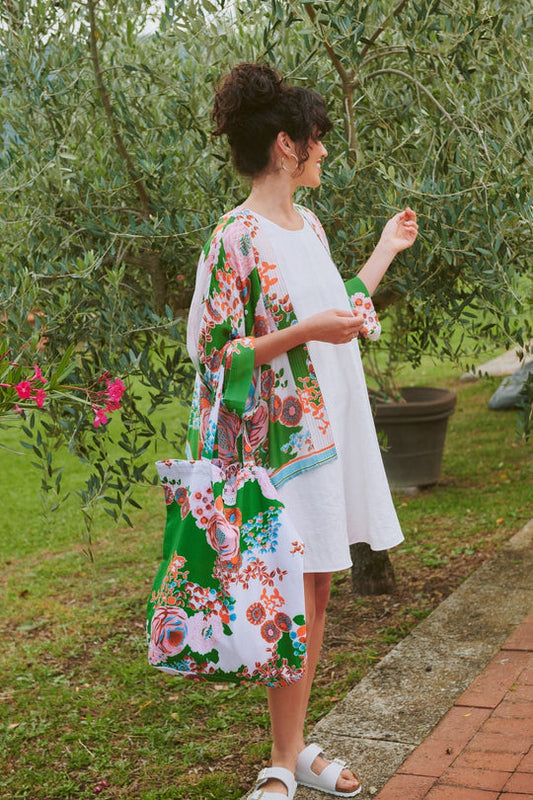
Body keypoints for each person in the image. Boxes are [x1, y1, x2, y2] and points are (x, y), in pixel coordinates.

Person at [186, 63, 418, 800]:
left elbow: (334, 308)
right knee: (290, 595)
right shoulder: (233, 238)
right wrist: (305, 332)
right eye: (316, 137)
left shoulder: (307, 226)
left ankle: (293, 751)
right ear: (286, 146)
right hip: (279, 448)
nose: (323, 149)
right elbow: (214, 351)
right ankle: (284, 762)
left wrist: (383, 253)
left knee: (314, 593)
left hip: (328, 431)